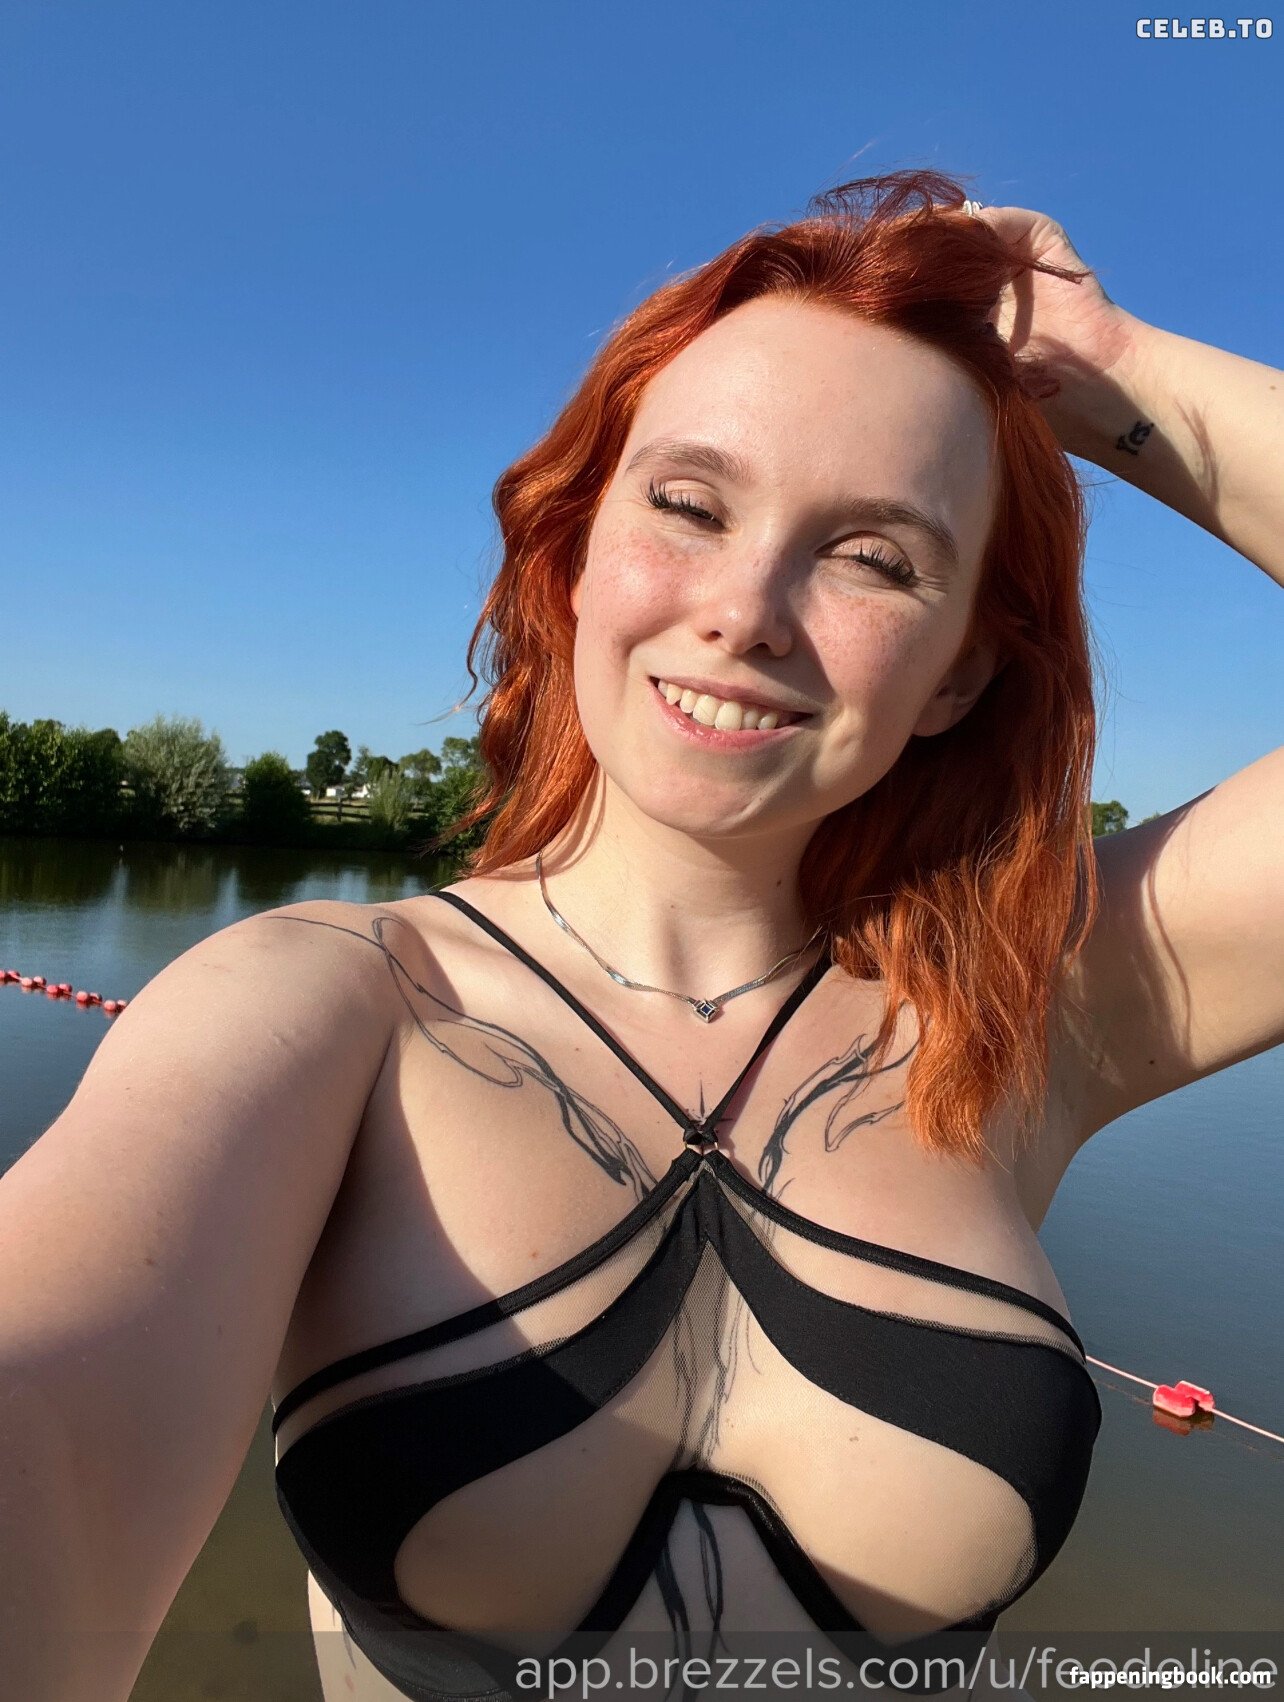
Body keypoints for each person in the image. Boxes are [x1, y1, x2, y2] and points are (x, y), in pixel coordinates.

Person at [1, 171, 1281, 1702]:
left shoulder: (1030, 1004)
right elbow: (45, 1413)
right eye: (688, 505)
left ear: (957, 673)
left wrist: (1113, 368)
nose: (747, 608)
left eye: (877, 556)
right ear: (574, 550)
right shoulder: (334, 1004)